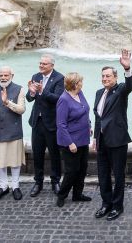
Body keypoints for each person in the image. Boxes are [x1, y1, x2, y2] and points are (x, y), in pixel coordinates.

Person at [93, 49, 132, 221]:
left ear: (115, 77)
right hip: (102, 140)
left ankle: (117, 206)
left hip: (117, 141)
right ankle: (106, 203)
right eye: (103, 76)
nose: (105, 79)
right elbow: (98, 117)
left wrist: (127, 68)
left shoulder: (121, 90)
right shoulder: (98, 93)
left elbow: (130, 85)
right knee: (103, 174)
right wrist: (95, 138)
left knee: (118, 175)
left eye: (108, 76)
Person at [0, 66, 26, 201]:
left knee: (14, 161)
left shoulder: (19, 89)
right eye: (1, 75)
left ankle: (15, 186)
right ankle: (3, 186)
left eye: (6, 75)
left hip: (13, 131)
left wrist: (7, 102)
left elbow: (22, 109)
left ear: (12, 76)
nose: (3, 78)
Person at [27, 54, 64, 197]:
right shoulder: (35, 76)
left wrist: (42, 91)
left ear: (52, 66)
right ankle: (38, 182)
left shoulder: (59, 78)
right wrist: (31, 93)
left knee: (55, 154)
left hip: (52, 123)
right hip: (37, 122)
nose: (41, 65)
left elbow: (58, 99)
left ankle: (55, 181)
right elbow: (29, 98)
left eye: (44, 64)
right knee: (37, 154)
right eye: (40, 63)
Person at [55, 72, 92, 207]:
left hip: (83, 139)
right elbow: (61, 124)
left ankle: (77, 194)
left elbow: (85, 110)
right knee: (71, 171)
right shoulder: (64, 100)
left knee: (82, 169)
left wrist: (89, 125)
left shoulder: (79, 93)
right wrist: (70, 143)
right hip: (70, 142)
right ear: (75, 84)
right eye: (80, 81)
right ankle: (61, 195)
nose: (82, 83)